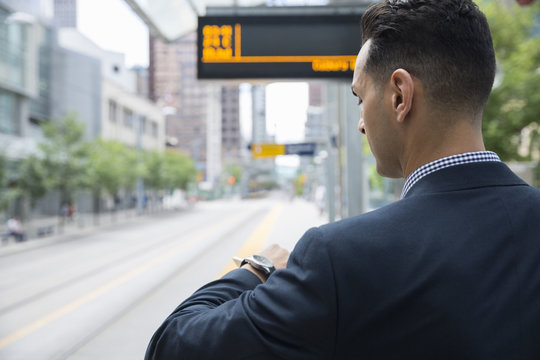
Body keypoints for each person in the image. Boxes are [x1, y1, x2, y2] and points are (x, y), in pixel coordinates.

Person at [145, 1, 540, 359]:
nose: (361, 123)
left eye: (359, 97)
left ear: (400, 96)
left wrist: (258, 268)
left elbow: (172, 347)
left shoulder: (340, 258)